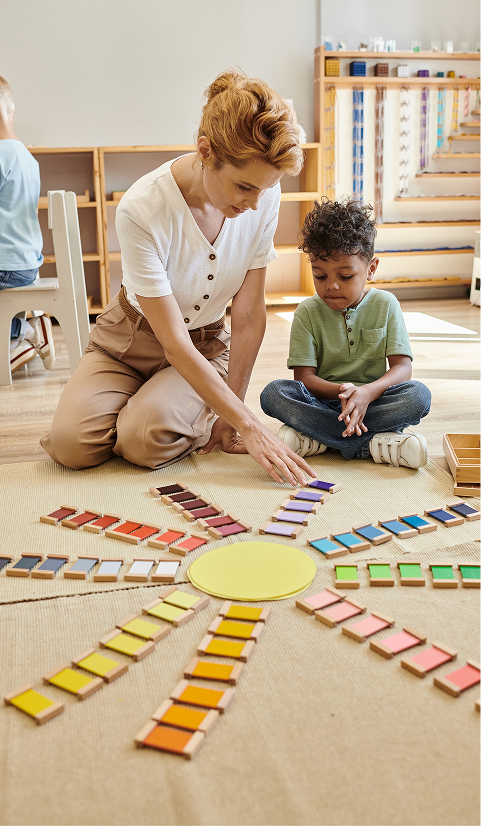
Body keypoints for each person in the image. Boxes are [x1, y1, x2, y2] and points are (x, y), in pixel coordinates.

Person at [41, 69, 315, 486]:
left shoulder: (262, 194)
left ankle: (160, 409)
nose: (255, 204)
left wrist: (232, 412)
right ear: (205, 151)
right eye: (244, 187)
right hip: (127, 343)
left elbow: (248, 315)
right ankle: (153, 403)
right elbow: (171, 342)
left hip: (204, 348)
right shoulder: (141, 208)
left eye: (265, 189)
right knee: (70, 445)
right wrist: (249, 424)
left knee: (142, 442)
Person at [260, 198, 431, 469]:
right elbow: (304, 378)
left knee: (418, 396)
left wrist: (366, 393)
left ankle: (319, 440)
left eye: (346, 276)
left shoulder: (386, 304)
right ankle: (373, 444)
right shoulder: (306, 312)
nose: (332, 286)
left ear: (371, 269)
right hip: (324, 403)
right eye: (320, 276)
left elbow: (402, 368)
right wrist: (345, 393)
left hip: (373, 402)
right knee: (273, 394)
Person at [0, 76, 56, 373]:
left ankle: (24, 334)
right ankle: (17, 345)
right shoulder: (26, 157)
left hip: (4, 266)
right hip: (25, 264)